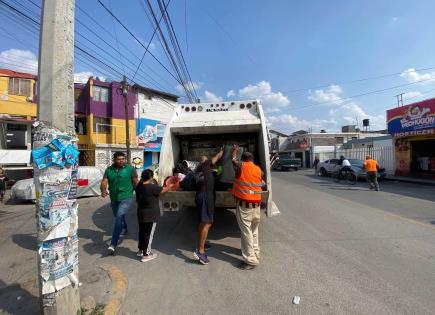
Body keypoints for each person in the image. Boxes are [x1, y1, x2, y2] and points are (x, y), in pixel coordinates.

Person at [231, 145, 263, 270]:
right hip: (256, 206)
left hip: (245, 206)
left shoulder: (241, 166)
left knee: (246, 232)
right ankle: (256, 253)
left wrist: (234, 150)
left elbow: (233, 159)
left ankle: (250, 261)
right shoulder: (258, 169)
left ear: (243, 160)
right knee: (254, 231)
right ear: (252, 159)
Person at [100, 152, 138, 255]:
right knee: (118, 216)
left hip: (126, 197)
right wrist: (103, 190)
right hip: (114, 198)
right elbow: (104, 181)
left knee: (118, 218)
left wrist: (139, 194)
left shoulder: (130, 169)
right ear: (114, 160)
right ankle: (125, 227)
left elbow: (135, 181)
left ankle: (113, 244)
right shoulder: (109, 170)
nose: (121, 161)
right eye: (119, 159)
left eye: (123, 159)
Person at [193, 148, 224, 265]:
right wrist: (221, 153)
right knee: (207, 222)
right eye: (206, 160)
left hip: (201, 196)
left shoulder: (198, 171)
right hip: (206, 197)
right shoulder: (205, 165)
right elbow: (215, 159)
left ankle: (202, 243)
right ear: (204, 162)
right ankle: (200, 251)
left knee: (202, 221)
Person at [135, 169, 173, 262]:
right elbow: (163, 190)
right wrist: (170, 186)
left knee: (142, 232)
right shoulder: (152, 187)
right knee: (148, 234)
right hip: (150, 215)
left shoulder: (139, 186)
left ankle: (140, 250)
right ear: (151, 177)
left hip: (141, 213)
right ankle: (146, 254)